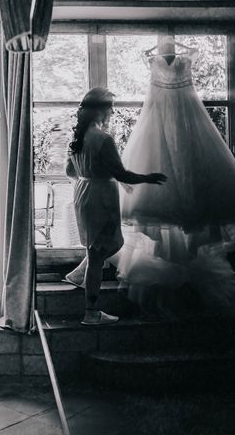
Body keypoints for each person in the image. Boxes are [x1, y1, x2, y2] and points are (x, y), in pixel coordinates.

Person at [117, 34, 235, 319]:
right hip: (157, 125)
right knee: (166, 193)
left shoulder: (185, 59)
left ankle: (185, 280)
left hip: (187, 122)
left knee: (192, 187)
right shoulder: (155, 60)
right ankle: (178, 282)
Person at [65, 87, 166, 325]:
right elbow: (122, 174)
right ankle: (91, 311)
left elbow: (70, 171)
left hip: (84, 194)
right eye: (109, 107)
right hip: (101, 198)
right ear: (99, 109)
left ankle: (80, 275)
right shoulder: (103, 139)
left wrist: (89, 175)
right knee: (101, 252)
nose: (112, 111)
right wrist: (148, 178)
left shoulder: (77, 139)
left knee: (96, 248)